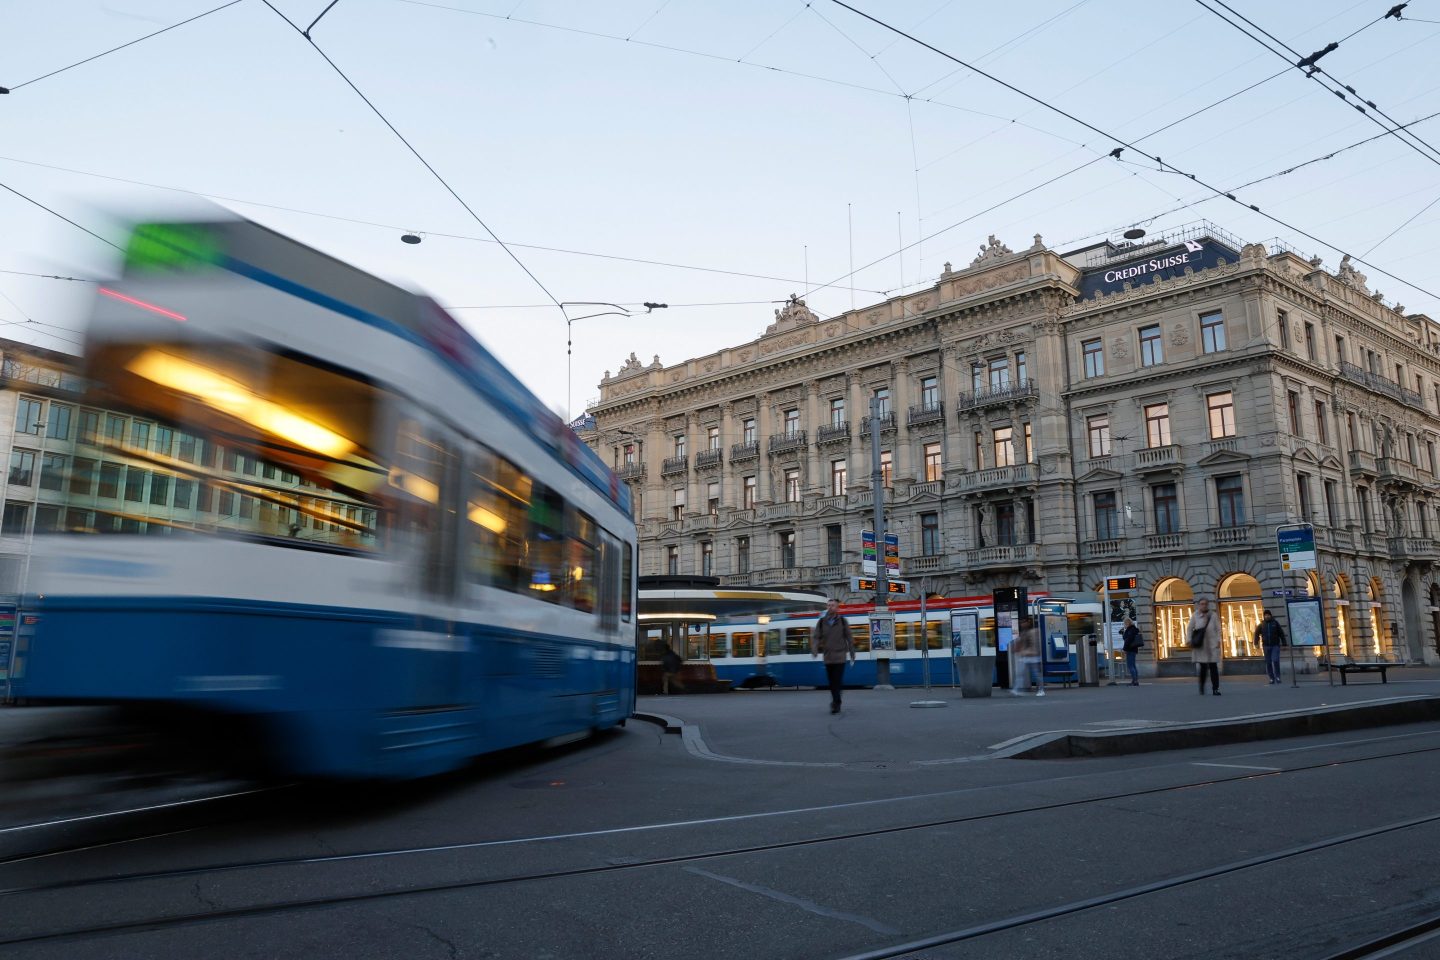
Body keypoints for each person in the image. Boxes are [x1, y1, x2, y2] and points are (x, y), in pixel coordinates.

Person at [811, 598, 855, 714]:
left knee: (837, 681)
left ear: (837, 608)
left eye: (833, 605)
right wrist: (814, 649)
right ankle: (837, 700)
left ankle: (835, 704)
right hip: (828, 657)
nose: (830, 607)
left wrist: (852, 653)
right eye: (828, 605)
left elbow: (849, 638)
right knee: (831, 682)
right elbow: (816, 637)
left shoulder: (843, 621)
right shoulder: (821, 622)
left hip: (840, 656)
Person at [1190, 598, 1223, 695]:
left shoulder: (1213, 615)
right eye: (1201, 604)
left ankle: (1215, 689)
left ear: (1207, 605)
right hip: (1201, 646)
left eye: (1205, 604)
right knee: (1203, 668)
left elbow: (1218, 629)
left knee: (1213, 668)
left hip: (1212, 645)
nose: (1203, 605)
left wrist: (1218, 640)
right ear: (1199, 605)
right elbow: (1189, 628)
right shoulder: (1195, 615)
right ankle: (1202, 686)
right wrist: (1188, 640)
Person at [1010, 616, 1044, 697]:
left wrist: (1033, 652)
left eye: (1023, 622)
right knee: (1020, 673)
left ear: (1028, 623)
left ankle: (1041, 690)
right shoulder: (1024, 632)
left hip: (1033, 656)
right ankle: (1016, 689)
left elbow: (1035, 644)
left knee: (1036, 674)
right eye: (1021, 623)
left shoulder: (1034, 631)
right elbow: (1022, 643)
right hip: (1025, 655)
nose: (1022, 624)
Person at [1253, 609, 1287, 685]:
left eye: (1268, 615)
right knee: (1268, 662)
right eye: (1265, 615)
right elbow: (1256, 634)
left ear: (1270, 615)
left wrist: (1284, 644)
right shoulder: (1261, 625)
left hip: (1275, 645)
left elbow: (1281, 633)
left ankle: (1278, 676)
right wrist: (1256, 643)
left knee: (1275, 660)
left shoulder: (1275, 623)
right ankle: (1271, 678)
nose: (1267, 616)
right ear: (1264, 616)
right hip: (1266, 646)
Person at [1120, 616, 1142, 686]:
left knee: (1130, 665)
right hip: (1133, 649)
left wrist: (1124, 649)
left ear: (1127, 623)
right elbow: (1126, 638)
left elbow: (1128, 640)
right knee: (1133, 665)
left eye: (1125, 623)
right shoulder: (1132, 629)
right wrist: (1123, 633)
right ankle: (1135, 680)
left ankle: (1135, 681)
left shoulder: (1130, 630)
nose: (1124, 625)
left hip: (1130, 649)